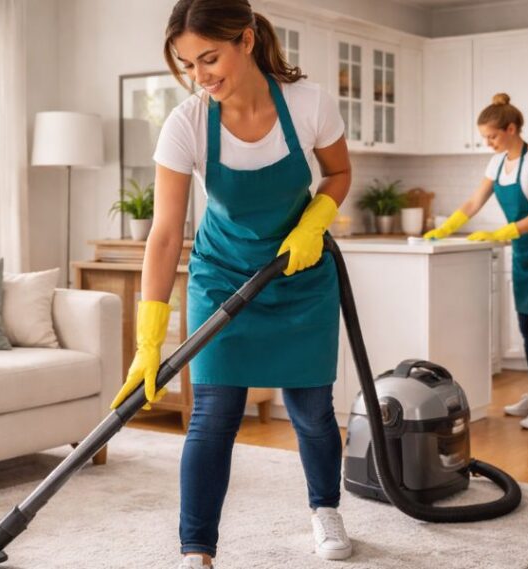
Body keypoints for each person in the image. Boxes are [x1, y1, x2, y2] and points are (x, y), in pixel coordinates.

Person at [108, 1, 353, 566]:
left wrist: (316, 220)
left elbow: (339, 173)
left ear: (246, 40)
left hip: (299, 275)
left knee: (312, 409)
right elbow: (166, 235)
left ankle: (325, 510)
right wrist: (150, 339)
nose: (200, 76)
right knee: (213, 414)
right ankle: (197, 549)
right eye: (188, 64)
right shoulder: (187, 123)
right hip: (221, 277)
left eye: (209, 58)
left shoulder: (308, 103)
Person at [425, 93, 528, 431]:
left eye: (492, 136)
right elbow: (475, 201)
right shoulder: (497, 162)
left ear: (511, 128)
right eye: (484, 137)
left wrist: (498, 234)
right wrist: (446, 227)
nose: (488, 143)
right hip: (524, 251)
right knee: (526, 328)